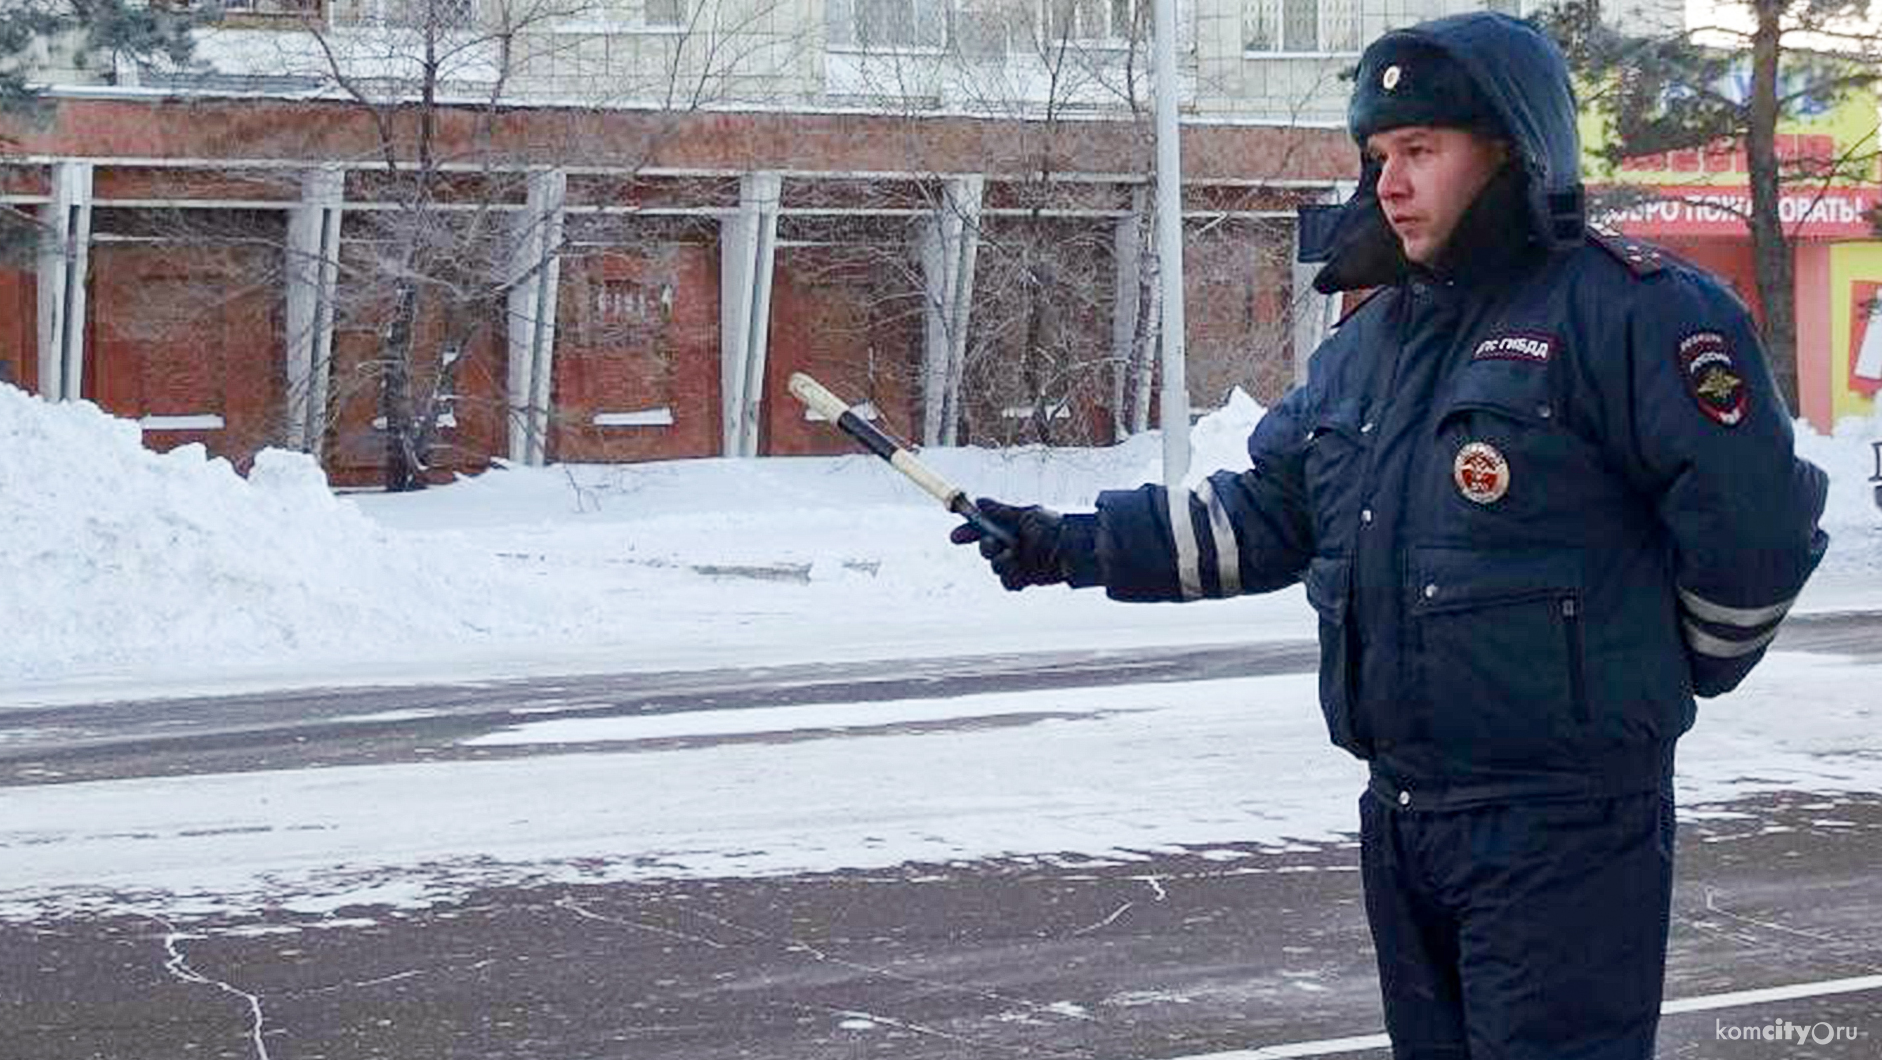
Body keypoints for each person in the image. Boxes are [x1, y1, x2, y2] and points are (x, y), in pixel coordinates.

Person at [951, 12, 1829, 1060]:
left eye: (1420, 151)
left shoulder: (1631, 312)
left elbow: (1756, 525)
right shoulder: (1373, 342)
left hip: (1563, 825)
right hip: (1405, 816)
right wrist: (1072, 543)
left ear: (1510, 149)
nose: (1391, 184)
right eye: (1378, 157)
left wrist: (1668, 669)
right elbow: (1270, 511)